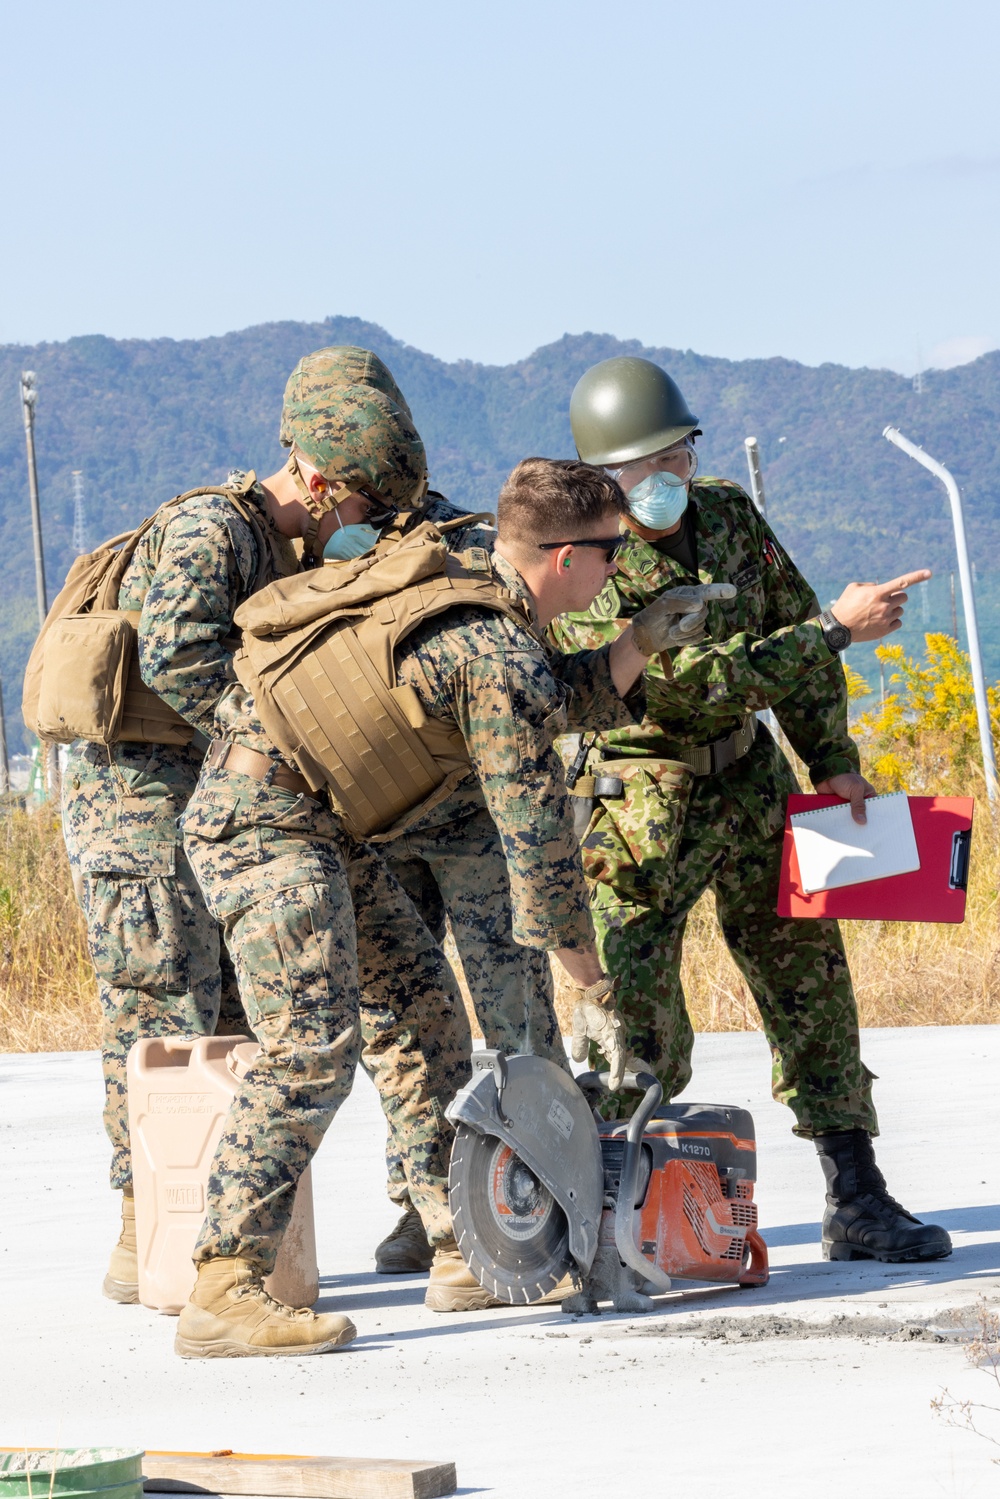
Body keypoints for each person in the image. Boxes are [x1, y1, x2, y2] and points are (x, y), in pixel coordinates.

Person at [178, 455, 718, 1352]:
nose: (620, 569)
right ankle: (223, 1284)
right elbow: (540, 859)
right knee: (311, 1043)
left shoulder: (476, 577)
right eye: (614, 555)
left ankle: (460, 1246)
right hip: (261, 822)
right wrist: (595, 988)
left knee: (423, 1007)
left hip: (315, 819)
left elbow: (542, 699)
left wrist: (638, 645)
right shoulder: (497, 649)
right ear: (565, 561)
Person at [64, 344, 469, 1313]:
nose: (367, 526)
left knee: (258, 1017)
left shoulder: (285, 540)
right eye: (366, 506)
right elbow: (176, 659)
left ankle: (274, 1226)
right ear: (321, 481)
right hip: (139, 807)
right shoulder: (213, 528)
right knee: (163, 1011)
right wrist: (297, 739)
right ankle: (146, 1227)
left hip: (249, 803)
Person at [550, 355, 951, 1265]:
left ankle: (857, 1195)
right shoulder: (586, 558)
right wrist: (835, 631)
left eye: (677, 458)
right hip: (640, 806)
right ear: (599, 478)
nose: (663, 484)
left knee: (811, 987)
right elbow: (683, 688)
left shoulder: (729, 513)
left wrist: (833, 764)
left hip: (752, 787)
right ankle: (613, 1212)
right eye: (637, 470)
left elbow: (793, 626)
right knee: (634, 1011)